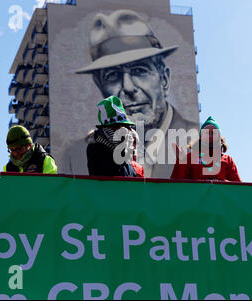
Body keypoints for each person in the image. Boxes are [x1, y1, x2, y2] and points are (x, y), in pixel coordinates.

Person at [75, 9, 199, 178]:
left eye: (139, 70)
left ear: (165, 79)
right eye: (113, 75)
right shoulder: (75, 153)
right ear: (99, 84)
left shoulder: (197, 143)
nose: (128, 87)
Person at [170, 116, 241, 182]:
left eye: (213, 133)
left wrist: (223, 184)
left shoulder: (228, 161)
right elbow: (177, 186)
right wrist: (180, 163)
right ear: (201, 137)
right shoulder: (190, 158)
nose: (210, 136)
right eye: (207, 133)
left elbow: (239, 188)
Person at [86, 96, 138, 177]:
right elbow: (113, 179)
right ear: (108, 128)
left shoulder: (125, 149)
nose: (127, 130)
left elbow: (131, 178)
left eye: (127, 126)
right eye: (121, 126)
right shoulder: (96, 149)